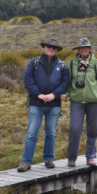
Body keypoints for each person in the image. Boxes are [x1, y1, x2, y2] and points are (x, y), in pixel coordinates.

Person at [18, 38, 70, 172]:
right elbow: (27, 79)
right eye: (49, 46)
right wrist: (39, 95)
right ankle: (26, 162)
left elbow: (65, 83)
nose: (51, 48)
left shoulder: (62, 65)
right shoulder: (34, 62)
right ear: (44, 47)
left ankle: (48, 159)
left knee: (51, 133)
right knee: (31, 133)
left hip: (54, 105)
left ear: (57, 49)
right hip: (36, 103)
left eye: (54, 47)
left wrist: (54, 95)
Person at [60, 38, 97, 167]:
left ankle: (90, 157)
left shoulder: (96, 63)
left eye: (86, 47)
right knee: (75, 128)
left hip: (93, 102)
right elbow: (69, 83)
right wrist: (67, 94)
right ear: (78, 49)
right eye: (81, 47)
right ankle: (71, 158)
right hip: (77, 101)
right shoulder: (71, 64)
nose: (84, 49)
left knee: (93, 130)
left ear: (89, 48)